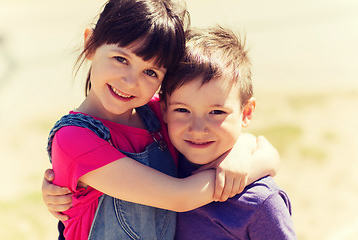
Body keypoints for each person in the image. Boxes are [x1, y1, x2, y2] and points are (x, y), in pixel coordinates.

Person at [42, 0, 280, 239]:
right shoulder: (73, 139)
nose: (130, 82)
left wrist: (241, 149)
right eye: (121, 59)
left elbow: (265, 150)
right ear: (91, 44)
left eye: (150, 72)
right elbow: (180, 197)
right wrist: (248, 169)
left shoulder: (159, 113)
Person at [159, 26, 296, 239]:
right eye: (182, 110)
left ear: (246, 112)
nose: (197, 128)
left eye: (216, 112)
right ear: (164, 109)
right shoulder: (159, 165)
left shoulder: (260, 202)